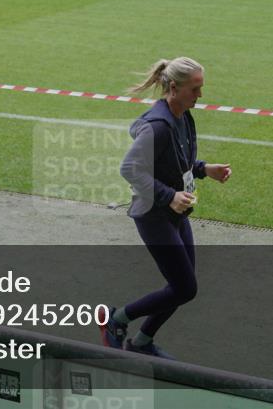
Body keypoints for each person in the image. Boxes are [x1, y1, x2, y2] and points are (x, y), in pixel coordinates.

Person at [99, 57, 232, 359]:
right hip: (154, 215)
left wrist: (203, 169)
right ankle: (115, 320)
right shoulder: (157, 126)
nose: (200, 95)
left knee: (182, 285)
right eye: (195, 89)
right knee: (185, 288)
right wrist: (169, 196)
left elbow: (176, 163)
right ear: (174, 87)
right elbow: (130, 168)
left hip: (175, 213)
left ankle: (143, 341)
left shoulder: (183, 116)